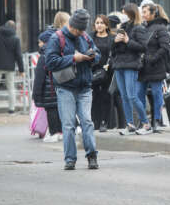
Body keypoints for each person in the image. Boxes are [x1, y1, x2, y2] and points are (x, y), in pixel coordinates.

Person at [45, 9, 101, 170]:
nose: (81, 33)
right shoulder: (57, 38)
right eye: (79, 30)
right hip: (65, 88)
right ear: (72, 26)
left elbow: (97, 53)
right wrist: (73, 58)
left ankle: (92, 156)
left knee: (87, 122)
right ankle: (70, 159)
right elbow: (50, 62)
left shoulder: (84, 36)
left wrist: (92, 57)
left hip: (84, 87)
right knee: (68, 125)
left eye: (83, 30)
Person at [111, 3, 152, 136]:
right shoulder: (122, 27)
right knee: (124, 96)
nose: (122, 15)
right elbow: (113, 50)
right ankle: (130, 125)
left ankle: (146, 124)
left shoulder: (138, 28)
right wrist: (115, 41)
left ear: (130, 13)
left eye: (124, 12)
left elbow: (143, 47)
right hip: (118, 65)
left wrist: (128, 41)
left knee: (132, 96)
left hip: (131, 65)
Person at [138, 3, 170, 133]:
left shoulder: (160, 28)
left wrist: (153, 58)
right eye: (142, 12)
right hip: (143, 66)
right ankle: (144, 122)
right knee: (138, 94)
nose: (143, 14)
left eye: (145, 12)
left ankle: (157, 121)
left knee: (157, 94)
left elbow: (164, 47)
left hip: (155, 66)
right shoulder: (143, 27)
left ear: (153, 13)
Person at [32, 30, 62, 142]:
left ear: (46, 43)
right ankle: (60, 132)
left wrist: (36, 95)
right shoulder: (58, 53)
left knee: (51, 112)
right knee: (58, 111)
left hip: (48, 91)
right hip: (58, 88)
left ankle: (54, 133)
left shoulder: (43, 57)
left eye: (40, 42)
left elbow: (39, 79)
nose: (39, 44)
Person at [0, 21, 25, 115]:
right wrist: (21, 70)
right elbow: (18, 55)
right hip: (10, 66)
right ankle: (11, 110)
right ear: (14, 28)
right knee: (11, 88)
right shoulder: (16, 38)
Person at [90, 15, 114, 133]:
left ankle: (104, 122)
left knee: (106, 96)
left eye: (101, 23)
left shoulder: (111, 38)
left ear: (106, 25)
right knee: (94, 97)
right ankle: (95, 121)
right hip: (93, 70)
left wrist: (109, 65)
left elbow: (114, 54)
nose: (99, 25)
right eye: (97, 22)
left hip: (108, 71)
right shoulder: (90, 38)